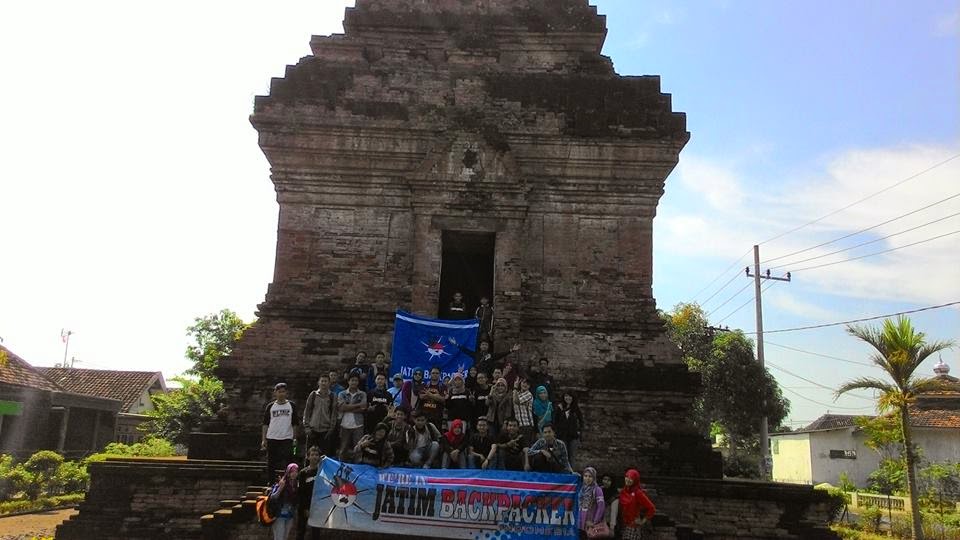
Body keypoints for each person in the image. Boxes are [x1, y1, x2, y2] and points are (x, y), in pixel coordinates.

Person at [261, 382, 301, 484]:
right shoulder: (270, 406)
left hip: (287, 437)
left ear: (286, 393)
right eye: (279, 392)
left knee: (288, 461)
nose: (281, 394)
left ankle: (288, 482)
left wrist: (295, 438)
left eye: (283, 392)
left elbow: (295, 423)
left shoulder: (291, 405)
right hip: (272, 437)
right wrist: (264, 439)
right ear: (275, 393)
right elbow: (265, 424)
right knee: (271, 462)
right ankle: (271, 482)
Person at [614, 469, 656, 540]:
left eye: (631, 478)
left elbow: (651, 508)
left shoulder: (638, 493)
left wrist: (642, 521)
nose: (628, 480)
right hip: (622, 525)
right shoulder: (624, 491)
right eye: (627, 477)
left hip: (632, 527)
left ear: (635, 480)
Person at [303, 375, 338, 457]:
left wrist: (331, 429)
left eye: (325, 381)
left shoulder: (333, 396)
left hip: (325, 431)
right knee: (310, 455)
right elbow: (307, 411)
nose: (323, 383)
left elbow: (334, 414)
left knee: (324, 456)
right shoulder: (313, 395)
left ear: (329, 383)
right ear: (318, 383)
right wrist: (306, 427)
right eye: (322, 381)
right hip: (312, 430)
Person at [336, 373, 367, 462]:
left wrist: (347, 407)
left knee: (358, 448)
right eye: (352, 380)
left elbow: (363, 408)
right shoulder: (342, 394)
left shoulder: (362, 394)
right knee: (343, 448)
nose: (354, 382)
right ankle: (341, 465)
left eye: (356, 380)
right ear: (348, 381)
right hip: (344, 424)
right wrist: (358, 405)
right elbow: (341, 408)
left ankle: (357, 466)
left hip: (358, 425)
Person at [449, 337, 521, 375]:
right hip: (476, 376)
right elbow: (466, 350)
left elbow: (501, 354)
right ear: (480, 346)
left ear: (488, 347)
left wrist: (512, 350)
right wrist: (456, 344)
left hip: (487, 377)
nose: (484, 346)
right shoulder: (476, 354)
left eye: (486, 345)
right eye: (483, 345)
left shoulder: (491, 355)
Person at [296, 446, 322, 540]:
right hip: (304, 507)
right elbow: (300, 492)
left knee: (316, 532)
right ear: (308, 457)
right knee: (301, 531)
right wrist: (305, 508)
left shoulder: (322, 472)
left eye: (316, 455)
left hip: (317, 507)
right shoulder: (303, 473)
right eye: (312, 455)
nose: (314, 457)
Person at [268, 462, 298, 540]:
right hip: (279, 515)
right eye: (292, 471)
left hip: (290, 515)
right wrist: (280, 488)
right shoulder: (282, 482)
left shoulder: (296, 485)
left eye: (296, 471)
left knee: (285, 537)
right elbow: (273, 497)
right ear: (288, 472)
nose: (294, 474)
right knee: (279, 538)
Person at [554, 391, 584, 468]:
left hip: (573, 436)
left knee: (572, 455)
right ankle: (563, 471)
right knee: (563, 455)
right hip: (562, 436)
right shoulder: (560, 408)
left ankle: (571, 471)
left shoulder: (576, 409)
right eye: (566, 396)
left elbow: (581, 421)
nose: (568, 398)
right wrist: (557, 432)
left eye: (570, 396)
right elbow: (555, 421)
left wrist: (579, 431)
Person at [578, 466, 606, 540]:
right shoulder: (582, 489)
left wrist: (594, 522)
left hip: (590, 522)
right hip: (580, 521)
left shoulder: (597, 490)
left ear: (594, 478)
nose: (587, 478)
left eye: (590, 476)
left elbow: (601, 507)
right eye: (585, 476)